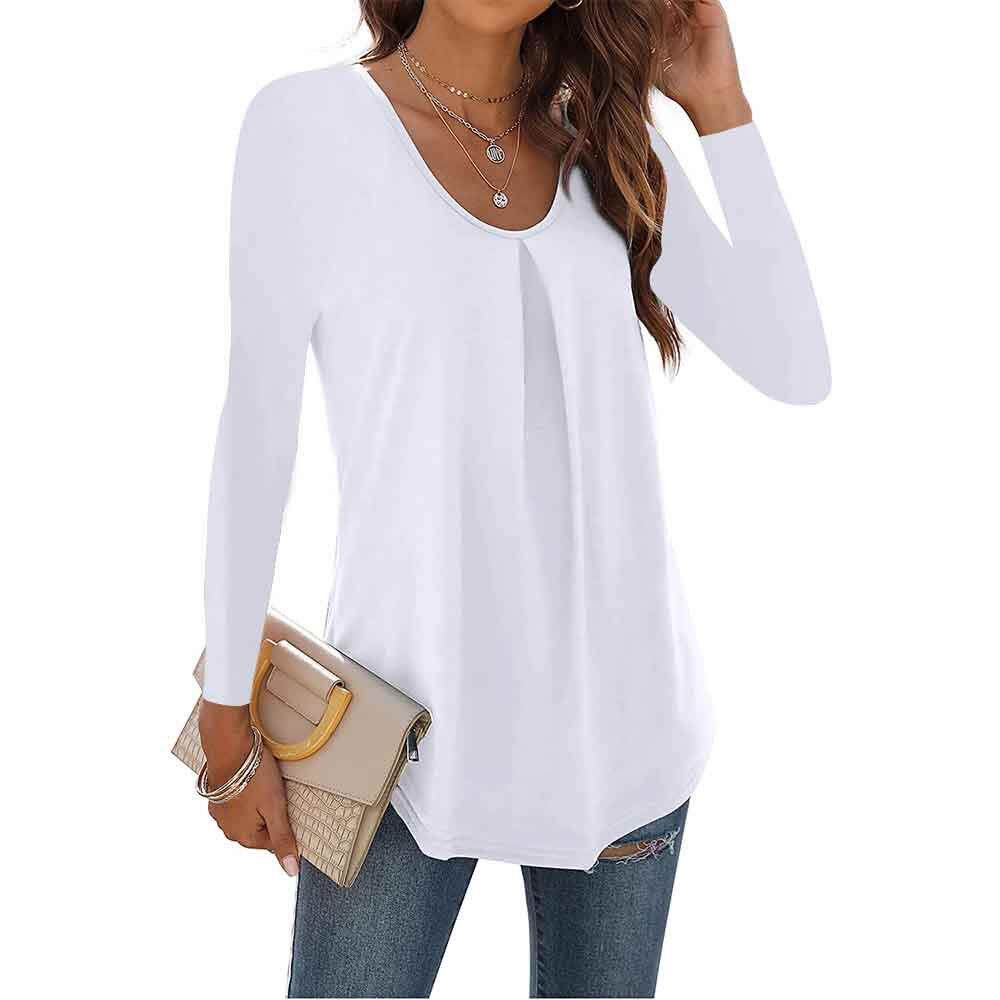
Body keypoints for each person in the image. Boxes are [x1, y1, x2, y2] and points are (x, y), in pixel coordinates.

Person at [195, 1, 830, 996]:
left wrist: (720, 106)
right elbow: (256, 435)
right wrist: (225, 713)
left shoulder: (601, 137)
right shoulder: (307, 127)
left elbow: (795, 363)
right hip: (396, 740)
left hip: (624, 732)